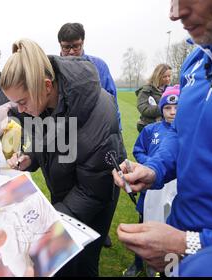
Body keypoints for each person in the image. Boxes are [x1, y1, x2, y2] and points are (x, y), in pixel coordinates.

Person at [113, 0, 212, 275]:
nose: (175, 13)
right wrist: (154, 169)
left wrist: (190, 243)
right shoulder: (195, 60)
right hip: (177, 246)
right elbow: (183, 136)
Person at [1, 39, 124, 276]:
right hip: (64, 189)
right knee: (63, 264)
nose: (20, 110)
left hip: (95, 197)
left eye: (22, 102)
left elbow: (93, 191)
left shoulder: (96, 114)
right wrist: (30, 157)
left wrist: (48, 222)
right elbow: (44, 138)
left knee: (83, 263)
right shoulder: (41, 98)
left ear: (47, 85)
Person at [58, 23, 122, 249]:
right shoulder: (55, 69)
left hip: (98, 138)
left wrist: (117, 135)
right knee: (73, 188)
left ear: (83, 43)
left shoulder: (99, 66)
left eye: (76, 46)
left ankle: (100, 230)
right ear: (60, 47)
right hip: (67, 141)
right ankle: (71, 229)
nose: (72, 52)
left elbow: (112, 102)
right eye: (67, 48)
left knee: (101, 186)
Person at [123, 85, 180, 277]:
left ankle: (167, 266)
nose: (172, 112)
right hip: (151, 186)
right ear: (161, 109)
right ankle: (139, 262)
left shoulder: (187, 132)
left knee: (171, 226)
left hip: (175, 188)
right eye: (167, 108)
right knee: (144, 223)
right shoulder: (150, 130)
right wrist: (148, 164)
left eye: (176, 108)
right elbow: (138, 150)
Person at [135, 64, 173, 132]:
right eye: (164, 76)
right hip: (148, 127)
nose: (168, 79)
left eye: (169, 76)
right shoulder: (147, 90)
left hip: (166, 127)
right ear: (157, 76)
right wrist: (163, 108)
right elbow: (143, 108)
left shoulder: (171, 90)